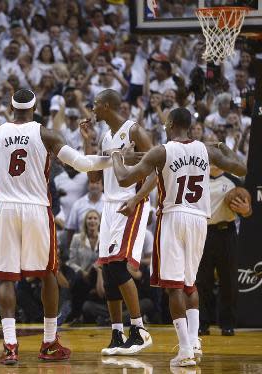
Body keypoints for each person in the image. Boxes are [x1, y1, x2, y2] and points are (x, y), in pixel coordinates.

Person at [0, 88, 141, 365]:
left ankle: (10, 346)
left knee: (5, 278)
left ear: (11, 107)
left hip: (5, 209)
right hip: (36, 209)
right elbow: (84, 165)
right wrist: (117, 158)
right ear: (34, 106)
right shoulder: (46, 134)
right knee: (49, 274)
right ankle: (49, 342)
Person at [111, 107, 247, 367]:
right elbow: (240, 168)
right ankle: (193, 341)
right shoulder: (207, 150)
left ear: (171, 123)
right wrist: (224, 148)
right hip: (199, 219)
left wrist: (118, 156)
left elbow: (124, 178)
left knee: (173, 287)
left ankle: (185, 350)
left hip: (174, 217)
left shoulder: (161, 151)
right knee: (189, 284)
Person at [89, 89, 154, 356]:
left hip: (131, 202)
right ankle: (117, 333)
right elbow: (94, 177)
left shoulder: (134, 130)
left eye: (95, 105)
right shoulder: (105, 136)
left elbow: (157, 167)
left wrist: (137, 198)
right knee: (107, 271)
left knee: (118, 269)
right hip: (109, 205)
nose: (92, 109)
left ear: (105, 106)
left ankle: (139, 329)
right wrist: (87, 143)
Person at [196, 164, 252, 337]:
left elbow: (248, 212)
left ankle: (227, 324)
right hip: (203, 233)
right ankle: (202, 324)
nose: (213, 162)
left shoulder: (234, 181)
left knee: (229, 281)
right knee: (202, 281)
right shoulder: (197, 179)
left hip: (226, 233)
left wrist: (245, 210)